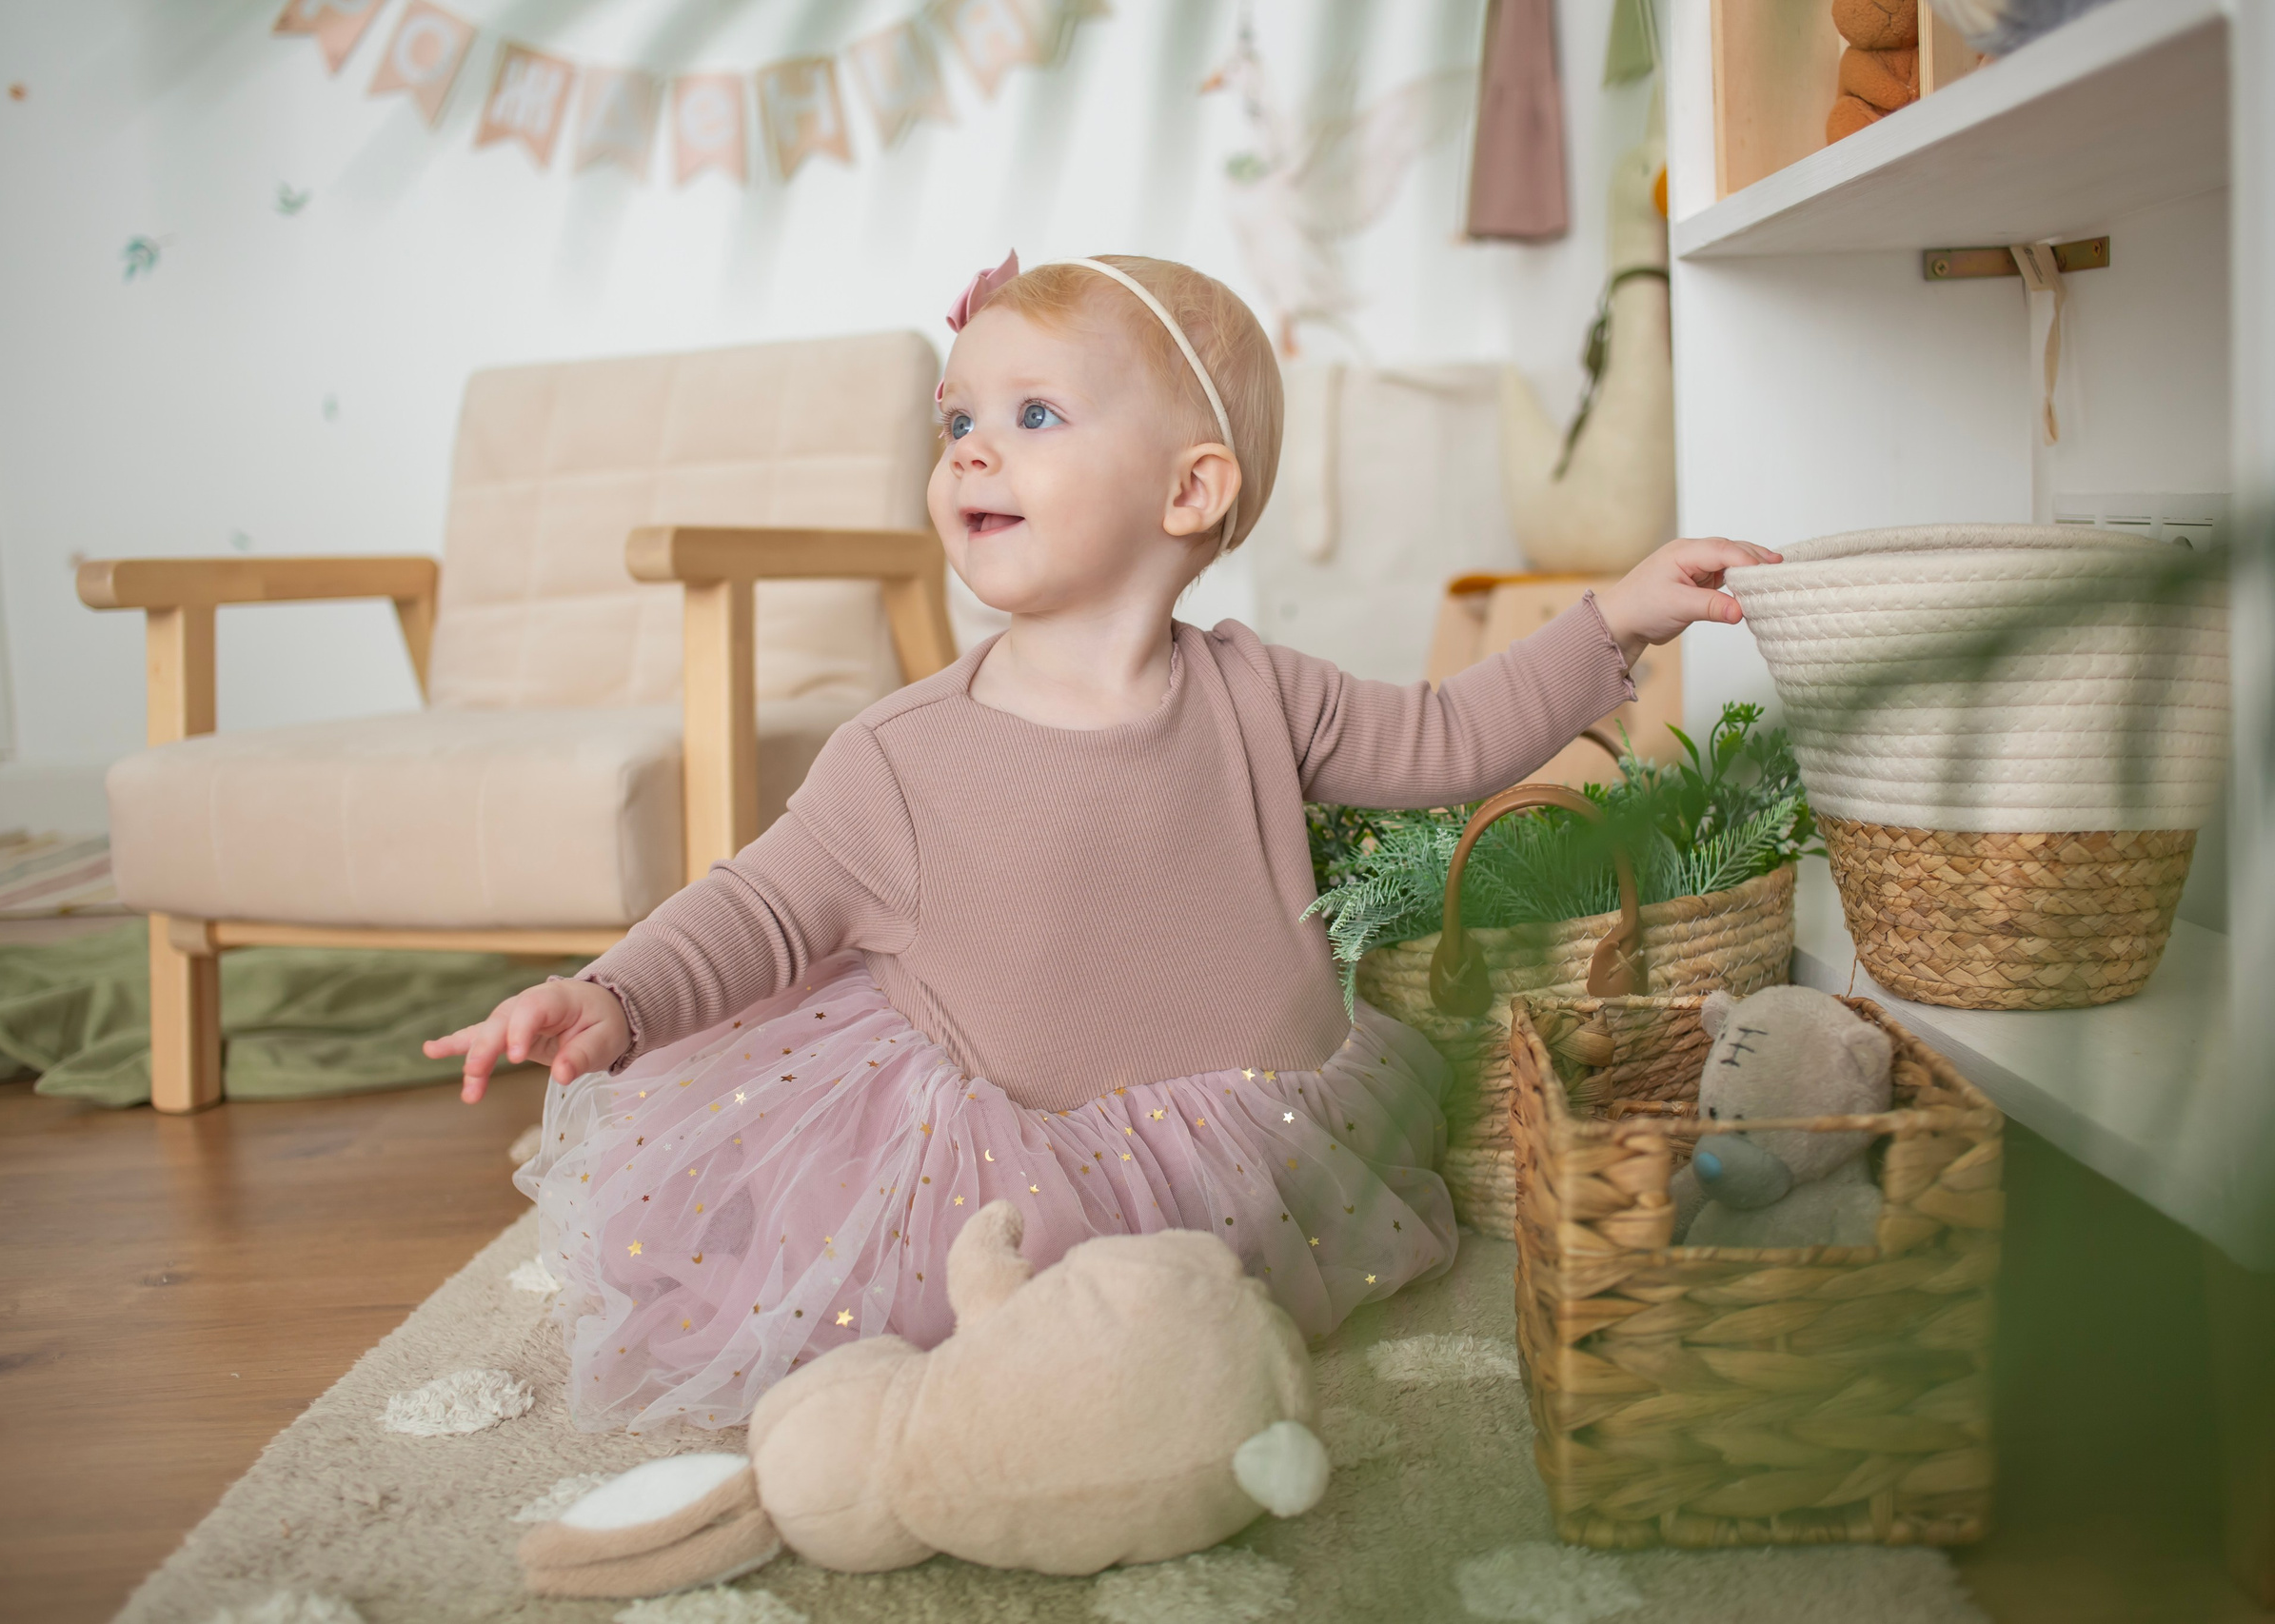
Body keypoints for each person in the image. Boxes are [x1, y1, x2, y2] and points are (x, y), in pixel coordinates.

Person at [426, 252, 1777, 1433]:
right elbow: (762, 906)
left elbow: (1447, 737)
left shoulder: (1262, 688)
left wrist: (1615, 618)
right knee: (985, 1331)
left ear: (1191, 489)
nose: (968, 447)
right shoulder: (900, 753)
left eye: (1031, 414)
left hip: (1243, 1126)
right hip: (1000, 1155)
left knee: (1198, 1327)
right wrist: (612, 993)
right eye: (956, 418)